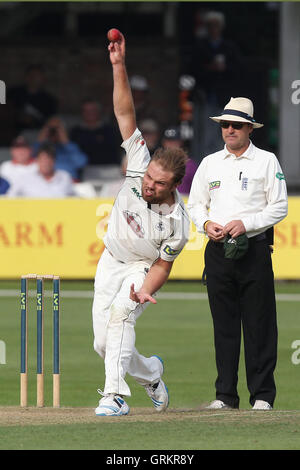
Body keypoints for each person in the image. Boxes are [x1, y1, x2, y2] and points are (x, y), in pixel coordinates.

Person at [92, 32, 190, 417]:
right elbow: (123, 114)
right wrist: (118, 66)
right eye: (148, 177)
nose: (148, 185)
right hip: (111, 259)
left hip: (141, 268)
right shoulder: (138, 163)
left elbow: (164, 264)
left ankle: (114, 396)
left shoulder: (178, 223)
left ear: (173, 186)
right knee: (104, 343)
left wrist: (146, 290)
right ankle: (151, 373)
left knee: (121, 318)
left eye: (158, 184)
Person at [187, 97, 288, 410]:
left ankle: (262, 396)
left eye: (236, 125)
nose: (229, 130)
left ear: (249, 128)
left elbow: (279, 206)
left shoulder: (267, 161)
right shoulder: (210, 163)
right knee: (224, 326)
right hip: (217, 251)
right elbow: (193, 204)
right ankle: (225, 396)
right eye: (225, 125)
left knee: (259, 325)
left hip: (253, 249)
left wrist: (246, 223)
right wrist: (206, 223)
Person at [7, 143, 74, 197]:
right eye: (42, 160)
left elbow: (73, 199)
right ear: (37, 161)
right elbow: (10, 198)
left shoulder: (65, 177)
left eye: (48, 159)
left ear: (54, 161)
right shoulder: (25, 178)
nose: (45, 163)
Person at [7, 64, 58, 134]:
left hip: (36, 133)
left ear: (43, 78)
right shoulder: (13, 93)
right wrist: (18, 116)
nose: (33, 78)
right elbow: (5, 112)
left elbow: (50, 121)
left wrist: (32, 121)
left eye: (37, 76)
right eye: (31, 75)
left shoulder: (49, 100)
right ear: (26, 77)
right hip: (12, 131)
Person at [33, 116, 88, 180]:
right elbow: (30, 159)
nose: (54, 132)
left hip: (68, 183)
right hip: (43, 183)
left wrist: (66, 142)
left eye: (57, 129)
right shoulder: (40, 148)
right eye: (51, 129)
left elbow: (81, 163)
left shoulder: (70, 148)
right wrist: (43, 135)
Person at [70, 99, 121, 166]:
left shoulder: (110, 130)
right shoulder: (75, 132)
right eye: (86, 111)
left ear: (99, 112)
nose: (90, 113)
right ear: (81, 113)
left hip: (109, 168)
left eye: (92, 110)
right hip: (83, 169)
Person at [162, 126, 198, 195]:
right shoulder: (157, 165)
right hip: (162, 204)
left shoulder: (190, 166)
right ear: (163, 143)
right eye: (169, 142)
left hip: (185, 204)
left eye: (174, 142)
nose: (171, 145)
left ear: (180, 143)